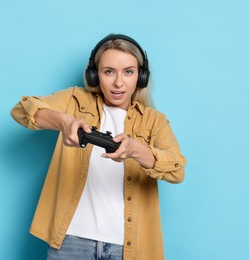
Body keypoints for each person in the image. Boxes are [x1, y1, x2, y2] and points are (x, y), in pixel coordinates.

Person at [10, 33, 186, 260]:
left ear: (141, 77)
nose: (118, 83)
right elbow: (22, 110)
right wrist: (65, 122)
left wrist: (135, 150)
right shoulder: (75, 100)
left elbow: (177, 169)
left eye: (128, 72)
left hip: (128, 248)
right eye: (109, 71)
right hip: (71, 243)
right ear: (95, 74)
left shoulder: (155, 121)